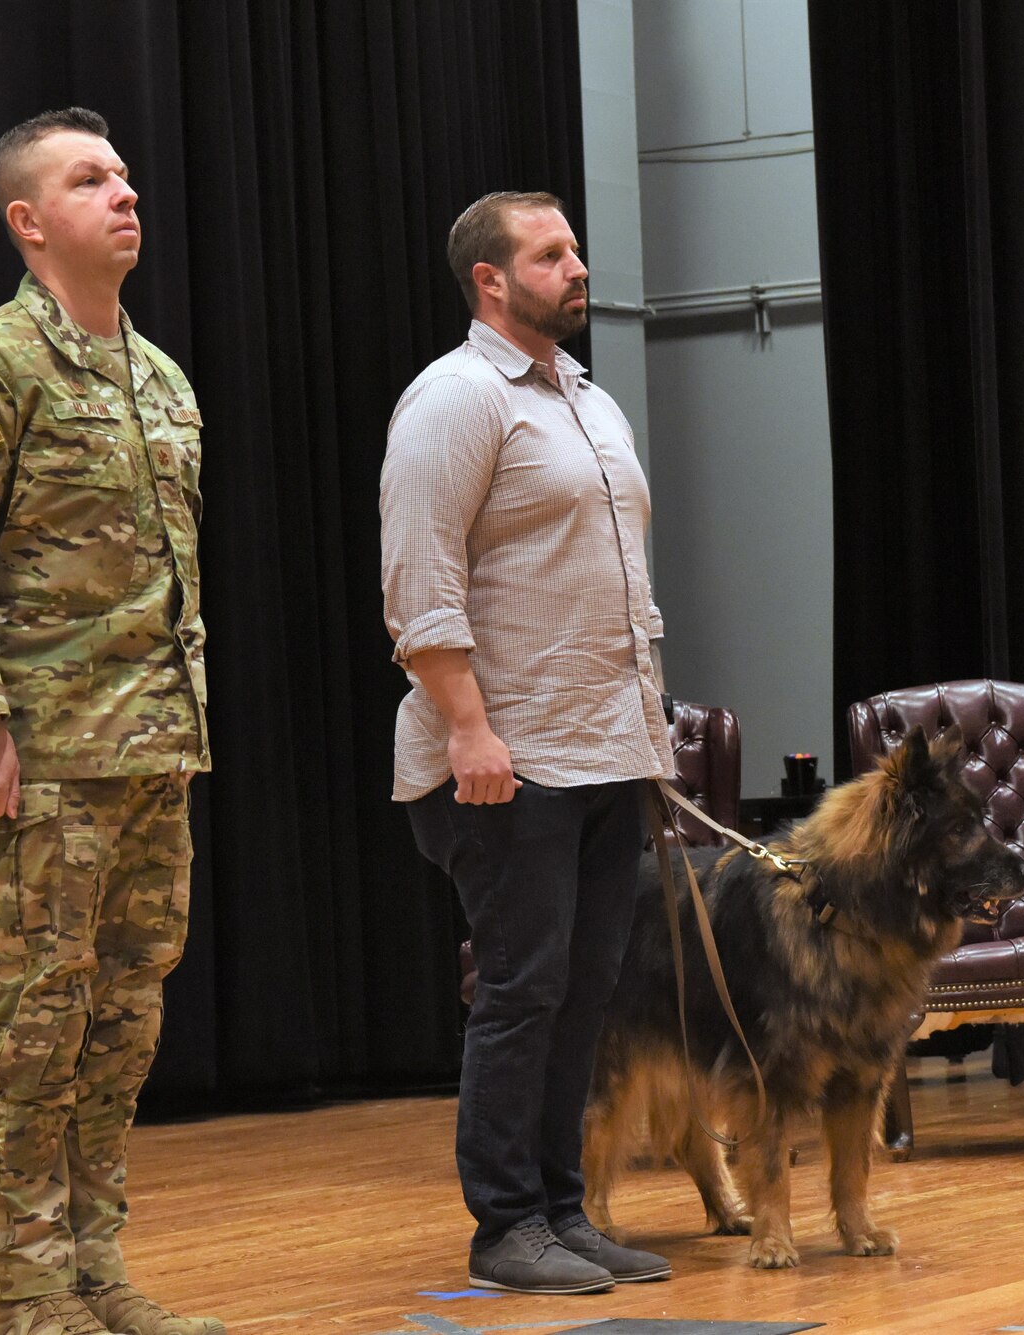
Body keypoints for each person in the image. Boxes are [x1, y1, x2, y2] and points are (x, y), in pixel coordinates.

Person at [0, 107, 220, 1335]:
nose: (124, 194)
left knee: (121, 1027)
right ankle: (24, 1296)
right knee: (33, 1027)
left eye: (126, 175)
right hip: (41, 762)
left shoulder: (160, 379)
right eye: (90, 179)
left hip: (151, 750)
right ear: (28, 223)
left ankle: (95, 1274)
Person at [378, 191, 677, 1295]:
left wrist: (648, 741)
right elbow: (418, 584)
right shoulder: (453, 400)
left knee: (584, 989)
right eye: (549, 255)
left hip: (605, 751)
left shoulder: (589, 402)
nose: (576, 267)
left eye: (574, 250)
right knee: (521, 988)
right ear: (489, 280)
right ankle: (504, 1223)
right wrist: (468, 729)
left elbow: (616, 590)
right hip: (505, 760)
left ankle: (562, 1207)